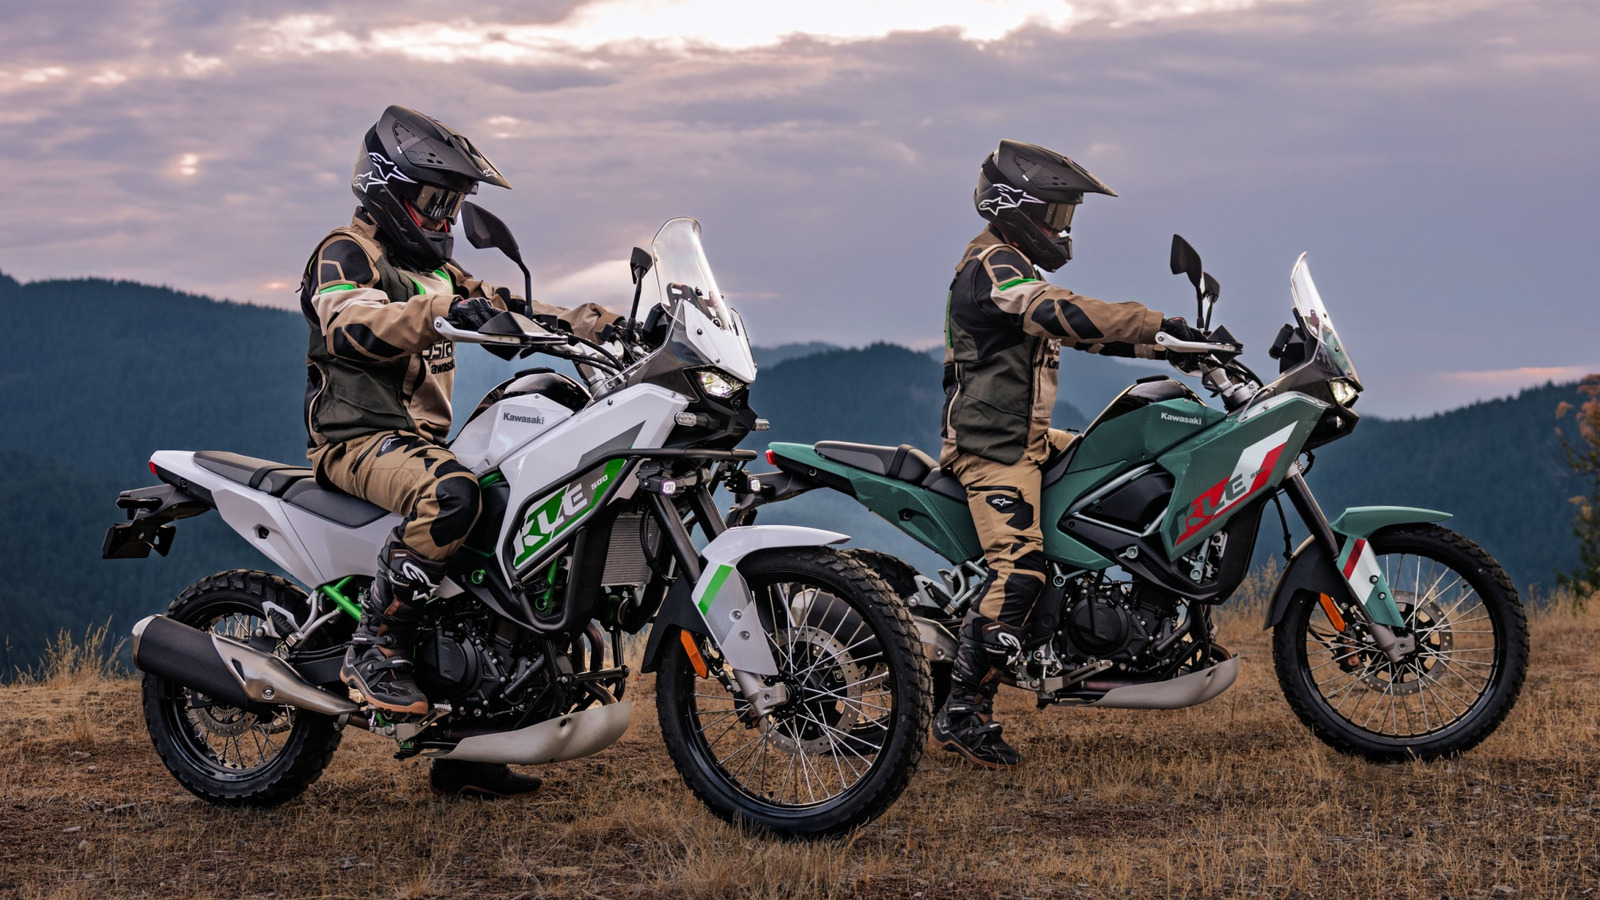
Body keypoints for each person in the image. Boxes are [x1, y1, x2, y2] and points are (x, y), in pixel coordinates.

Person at [300, 105, 622, 797]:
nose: (445, 217)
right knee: (454, 494)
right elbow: (350, 321)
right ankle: (376, 643)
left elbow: (517, 309)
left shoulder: (441, 270)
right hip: (355, 439)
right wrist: (441, 313)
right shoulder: (346, 253)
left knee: (516, 501)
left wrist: (601, 324)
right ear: (388, 188)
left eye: (453, 204)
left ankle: (474, 739)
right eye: (434, 200)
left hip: (419, 441)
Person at [933, 140, 1205, 768]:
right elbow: (1058, 312)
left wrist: (1173, 346)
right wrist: (1153, 322)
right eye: (1055, 213)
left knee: (1125, 472)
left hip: (1027, 438)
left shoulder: (1014, 265)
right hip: (991, 448)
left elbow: (1085, 334)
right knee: (1020, 569)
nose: (1062, 228)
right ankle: (962, 710)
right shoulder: (992, 266)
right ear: (1017, 207)